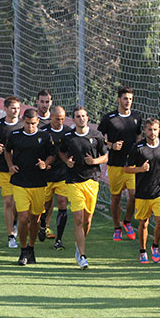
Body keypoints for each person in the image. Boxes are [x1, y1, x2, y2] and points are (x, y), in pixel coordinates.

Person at [4, 108, 56, 265]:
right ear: (23, 121)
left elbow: (52, 154)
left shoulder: (44, 136)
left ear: (38, 122)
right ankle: (23, 250)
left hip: (39, 183)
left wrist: (45, 164)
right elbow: (7, 151)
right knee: (23, 218)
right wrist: (10, 165)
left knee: (35, 219)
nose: (30, 126)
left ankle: (31, 249)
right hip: (20, 182)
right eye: (27, 123)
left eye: (33, 124)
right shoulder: (15, 135)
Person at [59, 106, 108, 269]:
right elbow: (61, 152)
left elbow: (106, 155)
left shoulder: (96, 136)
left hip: (92, 181)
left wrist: (94, 162)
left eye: (84, 116)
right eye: (78, 116)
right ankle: (82, 256)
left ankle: (79, 245)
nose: (81, 119)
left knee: (87, 220)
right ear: (73, 120)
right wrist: (67, 162)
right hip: (73, 181)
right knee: (78, 219)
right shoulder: (68, 137)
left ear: (87, 118)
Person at [124, 117, 160, 263]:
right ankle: (143, 250)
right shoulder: (138, 148)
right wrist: (140, 169)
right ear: (145, 130)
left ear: (159, 130)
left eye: (155, 129)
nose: (152, 132)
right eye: (150, 130)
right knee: (143, 223)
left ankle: (155, 246)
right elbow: (127, 169)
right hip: (143, 192)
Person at [98, 86, 143, 241]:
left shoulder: (137, 116)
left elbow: (139, 136)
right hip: (115, 164)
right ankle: (117, 227)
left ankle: (127, 221)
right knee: (116, 198)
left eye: (130, 99)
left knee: (134, 195)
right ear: (118, 99)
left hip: (131, 165)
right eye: (125, 98)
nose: (128, 102)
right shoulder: (109, 118)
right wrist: (111, 145)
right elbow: (98, 137)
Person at [0, 95, 24, 249]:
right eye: (13, 108)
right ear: (5, 109)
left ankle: (14, 222)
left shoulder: (23, 125)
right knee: (8, 201)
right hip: (3, 168)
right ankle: (11, 236)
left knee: (17, 203)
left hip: (21, 168)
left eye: (18, 108)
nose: (15, 111)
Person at [39, 105, 73, 250]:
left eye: (62, 119)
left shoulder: (68, 132)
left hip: (62, 175)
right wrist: (43, 163)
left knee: (62, 203)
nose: (60, 121)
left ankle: (59, 239)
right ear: (51, 117)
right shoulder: (44, 132)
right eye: (57, 119)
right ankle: (42, 225)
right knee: (45, 205)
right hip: (46, 175)